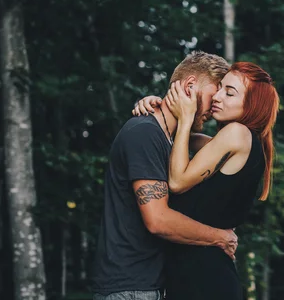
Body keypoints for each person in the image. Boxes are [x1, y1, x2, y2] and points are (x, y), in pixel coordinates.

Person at [90, 51, 238, 300]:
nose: (214, 108)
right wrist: (220, 238)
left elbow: (223, 149)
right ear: (190, 86)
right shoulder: (144, 133)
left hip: (150, 286)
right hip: (130, 289)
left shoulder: (169, 139)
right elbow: (157, 219)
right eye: (214, 95)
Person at [133, 61, 279, 300]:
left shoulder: (236, 134)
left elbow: (178, 182)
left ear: (252, 105)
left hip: (205, 281)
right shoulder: (239, 143)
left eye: (229, 92)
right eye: (219, 88)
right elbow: (183, 139)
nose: (217, 97)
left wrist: (186, 118)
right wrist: (162, 110)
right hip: (200, 277)